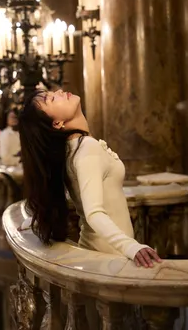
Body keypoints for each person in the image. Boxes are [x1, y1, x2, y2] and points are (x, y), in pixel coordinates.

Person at [18, 89, 162, 268]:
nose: (60, 91)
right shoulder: (86, 149)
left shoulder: (73, 148)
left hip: (104, 252)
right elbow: (93, 213)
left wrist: (38, 218)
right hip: (107, 256)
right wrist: (132, 247)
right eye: (53, 99)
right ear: (57, 123)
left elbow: (76, 193)